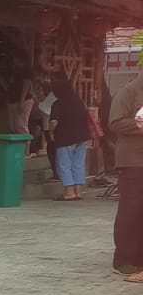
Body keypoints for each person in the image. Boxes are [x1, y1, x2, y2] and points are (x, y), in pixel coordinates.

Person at [109, 72, 143, 281]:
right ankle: (124, 259)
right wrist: (138, 125)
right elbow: (115, 123)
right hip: (134, 161)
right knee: (131, 210)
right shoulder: (129, 91)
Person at [47, 73, 90, 201]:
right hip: (82, 137)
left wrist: (50, 133)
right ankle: (78, 192)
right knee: (78, 164)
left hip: (65, 137)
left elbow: (53, 121)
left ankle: (69, 192)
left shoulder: (58, 104)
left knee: (64, 164)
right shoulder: (79, 101)